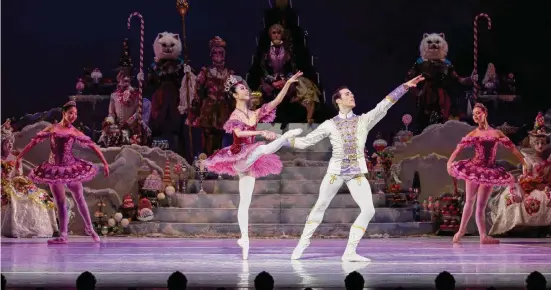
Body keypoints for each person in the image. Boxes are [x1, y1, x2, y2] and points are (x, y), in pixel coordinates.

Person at [288, 75, 425, 262]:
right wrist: (282, 140)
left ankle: (350, 251)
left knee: (368, 210)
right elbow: (305, 142)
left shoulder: (363, 121)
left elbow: (384, 105)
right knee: (320, 205)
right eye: (347, 94)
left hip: (355, 173)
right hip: (335, 172)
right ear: (338, 100)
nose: (352, 95)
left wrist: (404, 87)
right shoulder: (330, 124)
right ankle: (302, 243)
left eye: (351, 93)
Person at [203, 72, 304, 260]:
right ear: (234, 95)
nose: (246, 90)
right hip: (240, 157)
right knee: (261, 149)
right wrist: (262, 131)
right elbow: (239, 134)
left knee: (245, 202)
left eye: (245, 87)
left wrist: (288, 83)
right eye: (241, 88)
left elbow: (276, 102)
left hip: (248, 161)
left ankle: (244, 240)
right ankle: (284, 138)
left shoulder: (254, 113)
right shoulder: (235, 114)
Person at [16, 101, 110, 244]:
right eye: (71, 113)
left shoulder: (74, 131)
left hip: (70, 168)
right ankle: (63, 235)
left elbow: (92, 146)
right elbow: (33, 142)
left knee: (79, 197)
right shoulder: (52, 128)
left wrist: (104, 162)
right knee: (60, 202)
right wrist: (19, 157)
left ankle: (90, 228)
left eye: (76, 114)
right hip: (54, 169)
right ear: (64, 113)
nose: (74, 116)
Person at [447, 103, 526, 244]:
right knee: (470, 200)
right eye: (474, 114)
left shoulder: (496, 133)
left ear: (485, 113)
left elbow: (513, 149)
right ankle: (461, 230)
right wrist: (449, 162)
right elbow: (458, 149)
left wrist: (524, 163)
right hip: (475, 169)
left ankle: (483, 236)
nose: (476, 116)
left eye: (478, 113)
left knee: (481, 205)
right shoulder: (474, 134)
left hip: (489, 171)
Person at [1, 121, 58, 238]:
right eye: (7, 143)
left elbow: (19, 174)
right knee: (12, 198)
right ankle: (14, 228)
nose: (10, 145)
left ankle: (51, 227)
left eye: (11, 142)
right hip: (2, 185)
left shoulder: (16, 157)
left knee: (40, 194)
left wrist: (21, 181)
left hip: (14, 183)